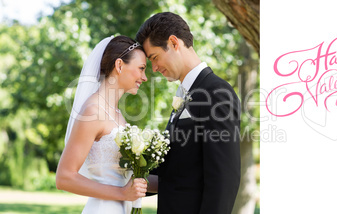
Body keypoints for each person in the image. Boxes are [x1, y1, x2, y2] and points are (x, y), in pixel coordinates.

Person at [136, 12, 241, 214]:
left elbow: (223, 180)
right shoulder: (185, 93)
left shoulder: (216, 93)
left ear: (174, 43)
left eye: (155, 58)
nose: (155, 68)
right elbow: (177, 170)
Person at [56, 35, 155, 214]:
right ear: (119, 65)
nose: (144, 77)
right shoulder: (93, 111)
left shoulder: (116, 114)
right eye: (141, 69)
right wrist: (122, 193)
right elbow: (64, 177)